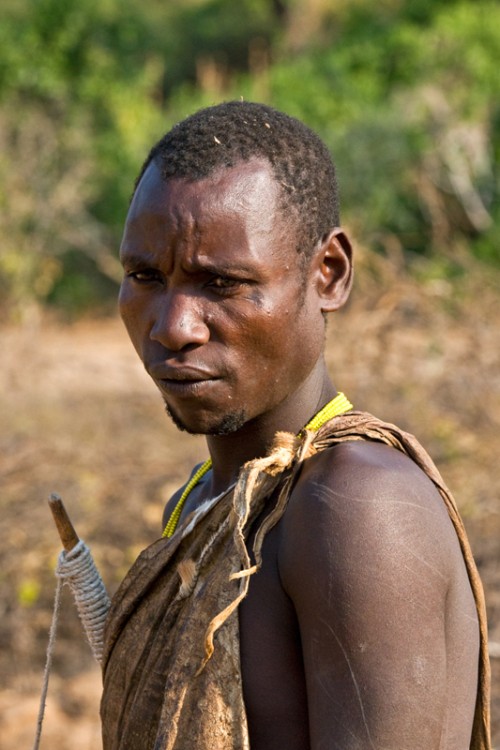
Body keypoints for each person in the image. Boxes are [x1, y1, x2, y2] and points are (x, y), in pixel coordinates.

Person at [100, 101, 490, 750]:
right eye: (145, 276)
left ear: (328, 274)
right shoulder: (203, 505)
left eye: (221, 283)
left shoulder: (357, 508)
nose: (172, 327)